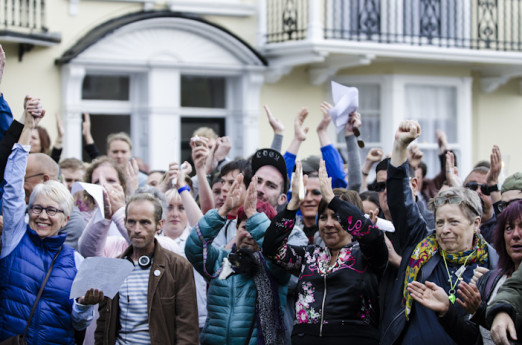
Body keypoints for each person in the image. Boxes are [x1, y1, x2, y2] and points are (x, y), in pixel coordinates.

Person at [379, 120, 498, 345]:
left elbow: (483, 335)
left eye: (453, 222)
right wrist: (399, 147)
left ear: (476, 223)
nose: (444, 230)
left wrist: (450, 311)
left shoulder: (492, 265)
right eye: (440, 222)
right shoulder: (421, 244)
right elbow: (399, 201)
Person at [0, 105, 100, 344]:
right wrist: (27, 126)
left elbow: (77, 323)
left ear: (66, 218)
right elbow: (13, 185)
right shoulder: (14, 238)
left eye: (52, 210)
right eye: (37, 208)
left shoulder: (76, 262)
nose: (43, 215)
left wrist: (84, 305)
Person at [263, 160, 387, 344]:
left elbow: (373, 237)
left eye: (336, 217)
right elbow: (271, 249)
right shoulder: (309, 256)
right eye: (323, 217)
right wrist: (293, 205)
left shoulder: (367, 254)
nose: (329, 224)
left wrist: (333, 199)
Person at [185, 174, 289, 345]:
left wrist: (252, 214)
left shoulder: (277, 265)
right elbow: (194, 248)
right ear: (236, 228)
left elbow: (278, 255)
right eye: (245, 227)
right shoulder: (220, 259)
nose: (249, 234)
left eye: (255, 229)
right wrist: (223, 211)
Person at [408, 200, 522, 345]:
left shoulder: (487, 264)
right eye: (509, 228)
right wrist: (448, 311)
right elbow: (474, 339)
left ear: (476, 224)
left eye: (454, 222)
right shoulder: (492, 280)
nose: (516, 235)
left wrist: (502, 312)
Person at [95, 193, 199, 344]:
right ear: (124, 222)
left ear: (159, 224)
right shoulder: (112, 268)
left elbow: (187, 329)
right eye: (131, 222)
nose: (137, 229)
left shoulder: (179, 267)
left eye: (145, 222)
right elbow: (103, 327)